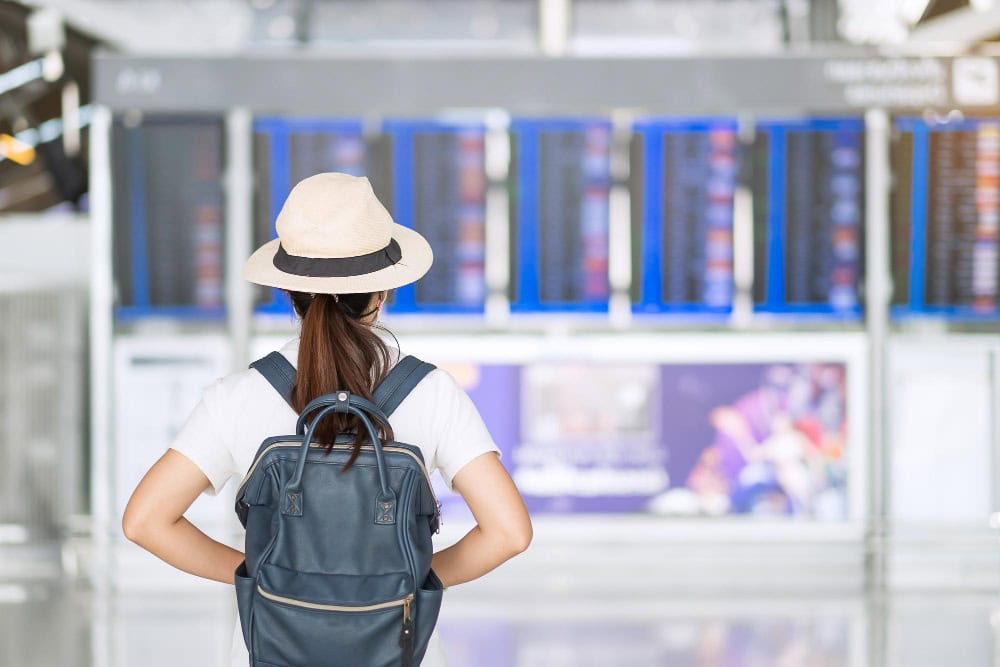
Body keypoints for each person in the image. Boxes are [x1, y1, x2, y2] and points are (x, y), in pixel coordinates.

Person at [122, 172, 533, 666]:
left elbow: (145, 521)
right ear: (382, 291)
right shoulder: (432, 392)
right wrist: (410, 579)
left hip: (273, 647)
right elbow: (510, 532)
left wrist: (264, 575)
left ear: (290, 292)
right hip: (399, 649)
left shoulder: (237, 396)